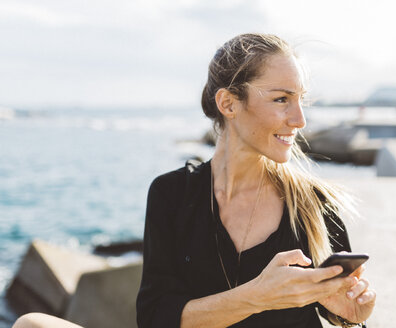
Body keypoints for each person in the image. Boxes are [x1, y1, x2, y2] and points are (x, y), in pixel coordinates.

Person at [136, 33, 376, 328]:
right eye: (281, 99)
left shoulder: (313, 203)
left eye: (301, 100)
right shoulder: (171, 195)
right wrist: (258, 296)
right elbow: (154, 318)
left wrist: (350, 316)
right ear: (228, 103)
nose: (300, 120)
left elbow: (339, 310)